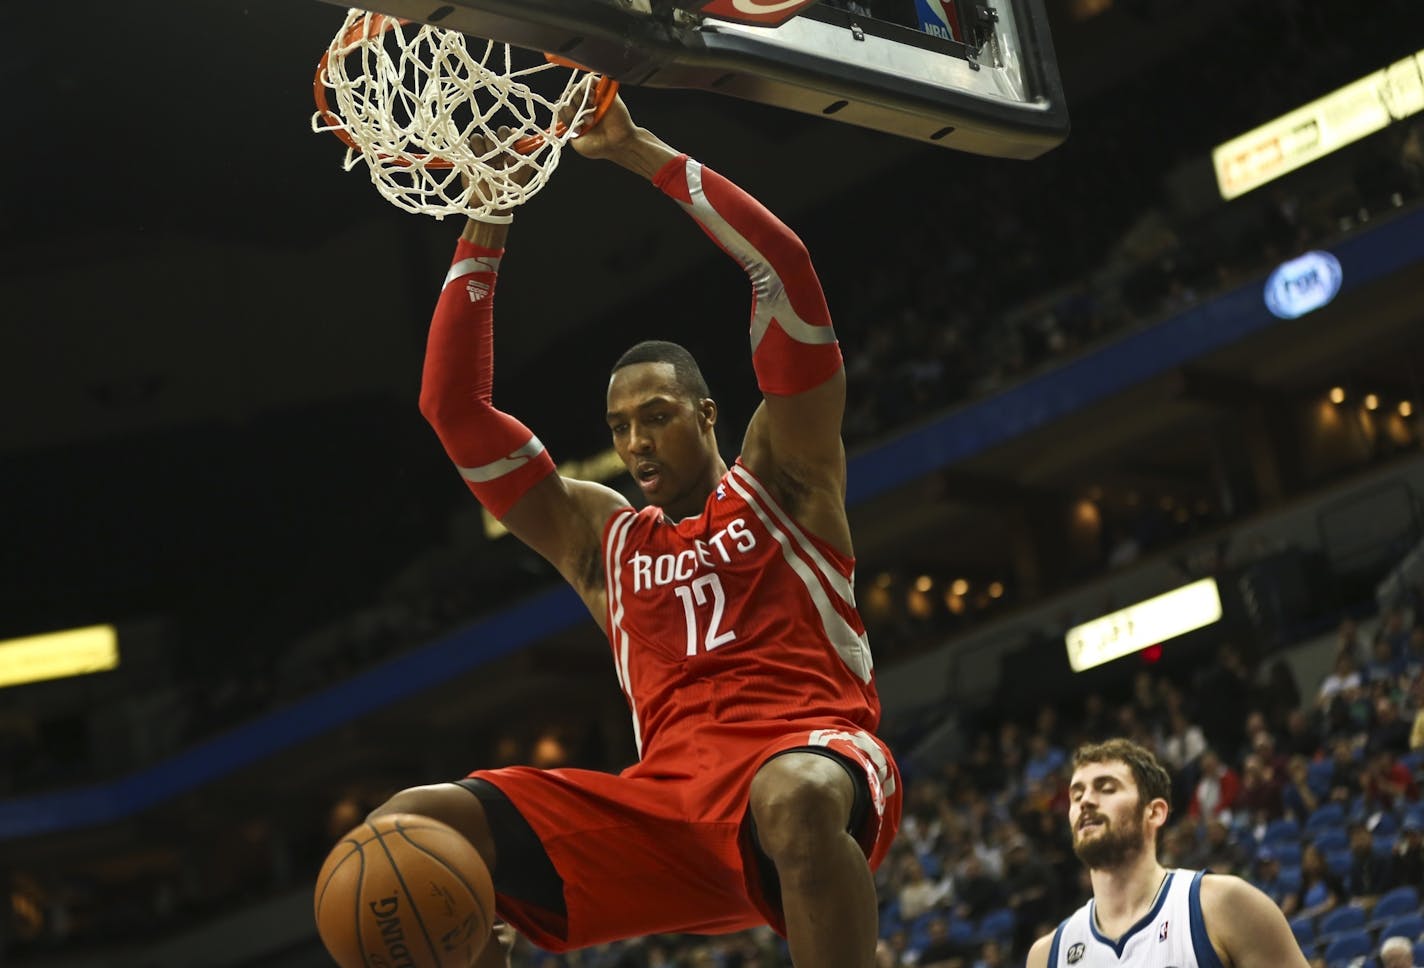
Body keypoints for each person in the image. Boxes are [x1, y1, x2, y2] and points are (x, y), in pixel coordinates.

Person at [344, 92, 902, 968]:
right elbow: (452, 408)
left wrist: (641, 152)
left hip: (813, 764)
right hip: (666, 815)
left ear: (709, 414)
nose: (636, 442)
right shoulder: (602, 539)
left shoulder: (787, 480)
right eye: (619, 427)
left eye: (657, 416)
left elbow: (784, 272)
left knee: (791, 798)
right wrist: (490, 205)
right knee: (405, 834)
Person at [1026, 738, 1308, 967]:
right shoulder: (1048, 955)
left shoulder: (1224, 905)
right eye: (1077, 795)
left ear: (1155, 812)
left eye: (1106, 788)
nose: (1086, 801)